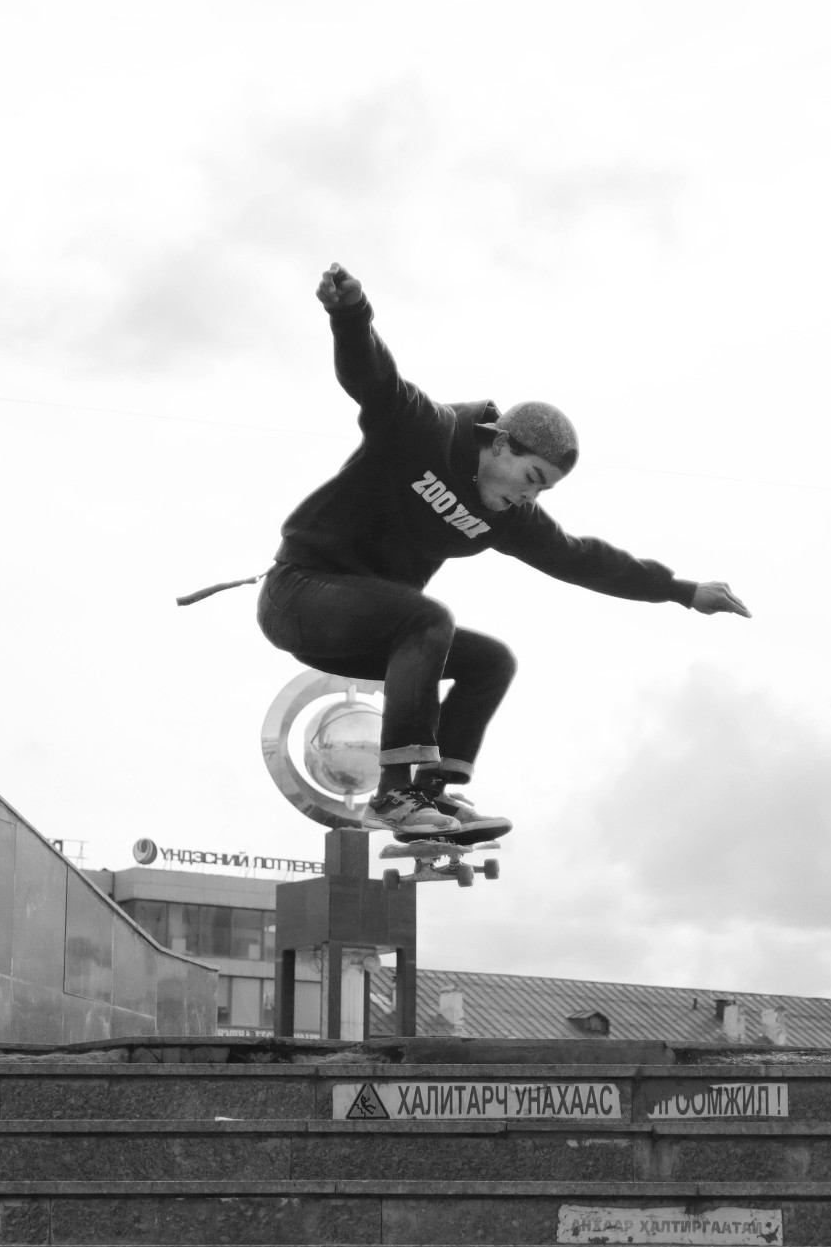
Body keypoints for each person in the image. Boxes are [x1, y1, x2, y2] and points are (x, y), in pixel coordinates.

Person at [255, 264, 749, 842]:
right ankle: (396, 795)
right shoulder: (425, 432)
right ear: (500, 441)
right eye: (531, 476)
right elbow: (375, 381)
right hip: (299, 592)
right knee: (428, 617)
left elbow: (582, 558)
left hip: (364, 631)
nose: (528, 495)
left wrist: (682, 591)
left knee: (490, 660)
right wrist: (349, 313)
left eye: (543, 490)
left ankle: (429, 793)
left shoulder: (507, 519)